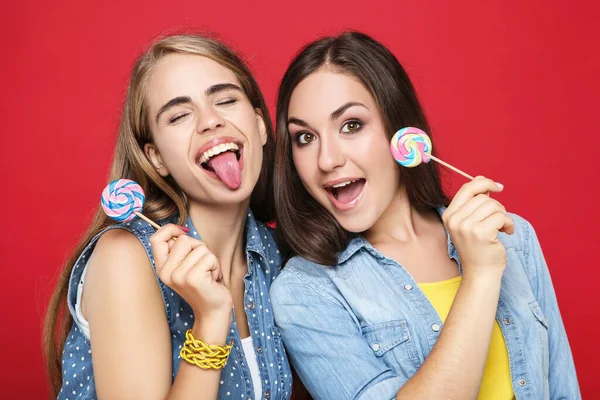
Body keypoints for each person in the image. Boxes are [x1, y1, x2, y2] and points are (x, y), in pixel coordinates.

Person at [270, 31, 579, 399]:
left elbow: (562, 390)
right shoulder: (305, 291)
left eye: (351, 125)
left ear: (403, 133)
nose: (327, 160)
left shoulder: (513, 239)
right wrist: (478, 276)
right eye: (305, 138)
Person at [43, 33, 292, 400]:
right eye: (179, 115)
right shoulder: (125, 257)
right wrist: (209, 321)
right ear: (156, 158)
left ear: (259, 125)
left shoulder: (279, 258)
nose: (210, 121)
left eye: (224, 99)